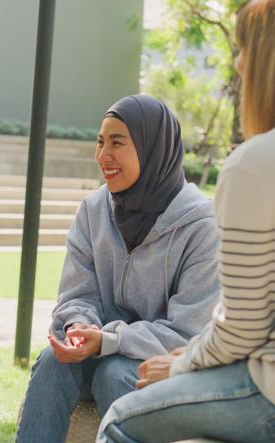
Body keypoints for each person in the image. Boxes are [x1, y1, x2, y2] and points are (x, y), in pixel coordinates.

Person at [97, 2, 275, 441]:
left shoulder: (253, 165)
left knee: (120, 418)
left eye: (241, 49)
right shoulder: (94, 209)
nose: (236, 63)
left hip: (264, 391)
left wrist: (178, 364)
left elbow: (242, 328)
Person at [16, 94, 221, 443]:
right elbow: (76, 295)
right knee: (54, 361)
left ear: (151, 147)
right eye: (100, 142)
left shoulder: (202, 225)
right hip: (98, 353)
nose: (103, 156)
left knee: (115, 372)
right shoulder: (93, 210)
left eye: (117, 143)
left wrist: (109, 341)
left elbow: (191, 332)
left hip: (168, 367)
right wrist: (80, 327)